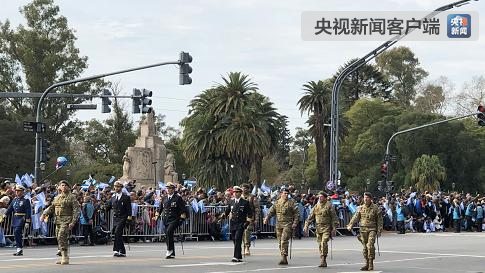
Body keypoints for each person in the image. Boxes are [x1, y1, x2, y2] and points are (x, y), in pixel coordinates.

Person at [41, 181, 80, 265]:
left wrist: (73, 222)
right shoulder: (57, 197)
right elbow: (52, 207)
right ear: (59, 187)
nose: (64, 187)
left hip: (66, 220)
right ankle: (62, 255)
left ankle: (65, 256)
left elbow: (76, 211)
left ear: (69, 187)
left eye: (66, 185)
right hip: (58, 220)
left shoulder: (71, 197)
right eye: (62, 185)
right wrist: (44, 214)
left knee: (61, 236)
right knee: (59, 238)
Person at [347, 192, 383, 271]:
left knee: (370, 245)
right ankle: (366, 263)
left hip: (372, 229)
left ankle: (370, 263)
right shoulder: (361, 208)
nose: (365, 199)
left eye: (367, 197)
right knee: (364, 247)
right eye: (364, 197)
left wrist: (379, 229)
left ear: (370, 199)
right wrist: (350, 225)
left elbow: (380, 220)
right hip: (363, 230)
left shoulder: (376, 208)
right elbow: (355, 217)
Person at [263, 188, 299, 265]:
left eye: (287, 193)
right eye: (284, 193)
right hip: (278, 224)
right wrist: (266, 218)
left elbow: (296, 214)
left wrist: (295, 223)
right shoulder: (277, 202)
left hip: (288, 224)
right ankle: (283, 256)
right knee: (280, 242)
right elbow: (271, 211)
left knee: (284, 240)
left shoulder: (291, 202)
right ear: (281, 194)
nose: (286, 195)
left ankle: (283, 256)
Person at [303, 191, 337, 268]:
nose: (320, 198)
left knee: (324, 242)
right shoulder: (316, 206)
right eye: (319, 196)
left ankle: (323, 258)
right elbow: (310, 217)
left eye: (321, 196)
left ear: (325, 197)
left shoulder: (329, 206)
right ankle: (322, 257)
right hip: (318, 228)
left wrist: (334, 228)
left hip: (327, 228)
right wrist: (306, 225)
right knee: (320, 244)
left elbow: (334, 218)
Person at [154, 182, 188, 259]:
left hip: (175, 219)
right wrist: (156, 216)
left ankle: (169, 250)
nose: (168, 189)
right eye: (167, 188)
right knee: (167, 234)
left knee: (169, 232)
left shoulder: (177, 198)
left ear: (173, 189)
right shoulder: (164, 198)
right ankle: (172, 252)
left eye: (170, 188)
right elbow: (160, 209)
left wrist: (182, 219)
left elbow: (183, 209)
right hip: (166, 219)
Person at [220, 186, 252, 262]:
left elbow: (250, 214)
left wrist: (247, 223)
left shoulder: (245, 202)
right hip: (233, 223)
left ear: (240, 193)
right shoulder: (231, 201)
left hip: (241, 223)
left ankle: (235, 257)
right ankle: (239, 255)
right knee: (234, 239)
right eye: (234, 192)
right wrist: (222, 216)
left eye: (237, 192)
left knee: (238, 239)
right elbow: (227, 211)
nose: (235, 193)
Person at [105, 180, 132, 257]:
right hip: (116, 218)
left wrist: (129, 219)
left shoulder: (126, 197)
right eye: (115, 187)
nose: (116, 188)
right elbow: (108, 206)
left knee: (117, 232)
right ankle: (121, 250)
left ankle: (116, 250)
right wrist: (103, 207)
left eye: (118, 187)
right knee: (117, 234)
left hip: (123, 217)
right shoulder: (113, 197)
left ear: (121, 187)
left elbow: (129, 209)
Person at [2, 185, 31, 256]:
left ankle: (19, 248)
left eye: (19, 191)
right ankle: (19, 248)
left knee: (17, 231)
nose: (17, 192)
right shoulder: (14, 200)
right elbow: (10, 208)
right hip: (15, 218)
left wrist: (27, 221)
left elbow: (28, 211)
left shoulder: (25, 200)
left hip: (22, 218)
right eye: (16, 191)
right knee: (16, 233)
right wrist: (5, 214)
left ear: (22, 192)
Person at [241, 183, 260, 256]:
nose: (244, 189)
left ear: (249, 189)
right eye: (243, 188)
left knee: (247, 231)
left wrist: (256, 218)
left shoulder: (252, 197)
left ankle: (247, 247)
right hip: (241, 217)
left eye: (246, 188)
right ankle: (244, 246)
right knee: (242, 233)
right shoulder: (240, 197)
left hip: (250, 217)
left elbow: (257, 208)